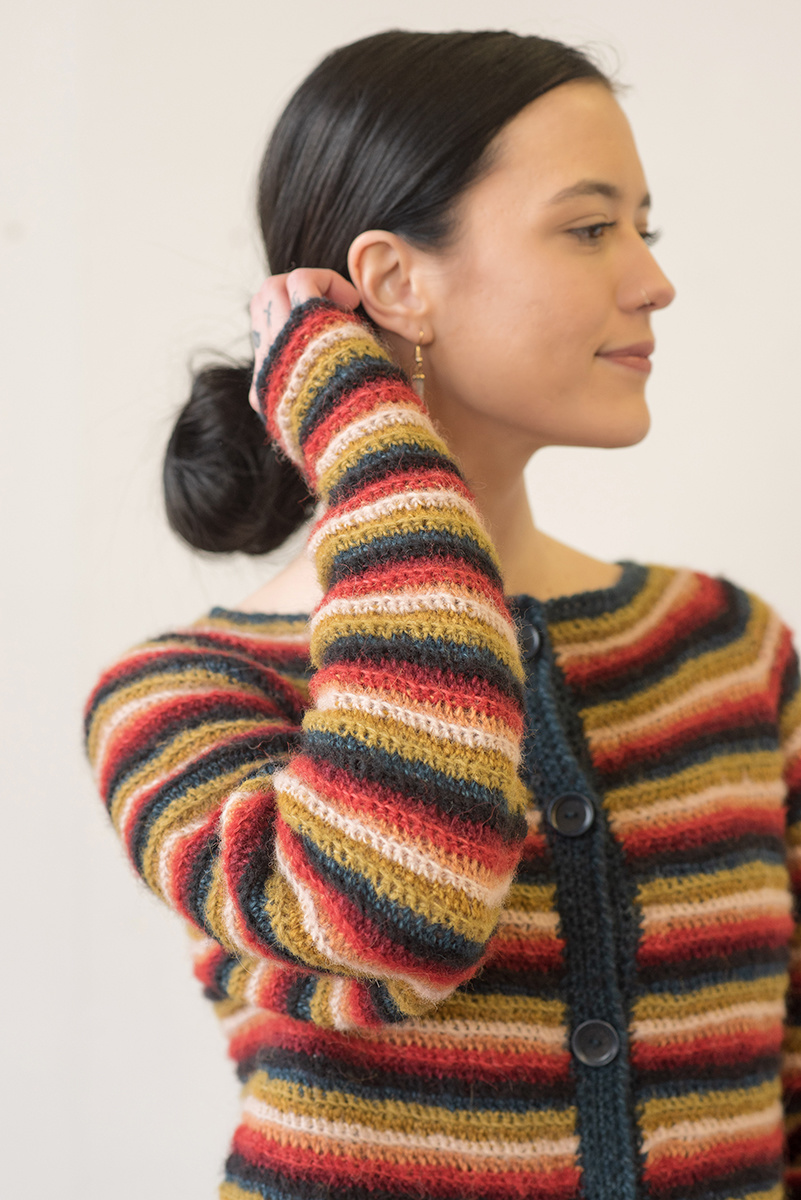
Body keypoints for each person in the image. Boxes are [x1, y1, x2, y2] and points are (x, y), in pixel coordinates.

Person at [84, 28, 801, 1200]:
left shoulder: (724, 648)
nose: (653, 279)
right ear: (397, 283)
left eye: (644, 227)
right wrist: (371, 445)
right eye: (588, 227)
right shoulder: (181, 699)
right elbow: (394, 917)